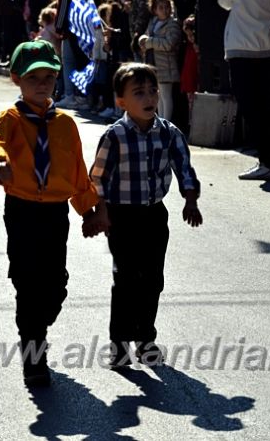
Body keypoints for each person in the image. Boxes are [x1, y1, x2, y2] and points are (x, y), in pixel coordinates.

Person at [0, 40, 101, 386]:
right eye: (34, 77)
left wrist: (89, 210)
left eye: (49, 76)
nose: (43, 83)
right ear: (16, 79)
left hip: (54, 213)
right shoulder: (11, 119)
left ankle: (38, 324)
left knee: (55, 284)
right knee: (26, 280)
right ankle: (34, 354)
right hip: (21, 210)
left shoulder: (65, 123)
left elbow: (76, 170)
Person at [88, 62, 202, 369]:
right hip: (121, 217)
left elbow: (184, 170)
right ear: (121, 101)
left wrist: (190, 200)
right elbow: (96, 178)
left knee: (152, 279)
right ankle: (120, 344)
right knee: (125, 277)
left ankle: (146, 340)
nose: (149, 97)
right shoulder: (115, 136)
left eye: (152, 90)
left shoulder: (169, 133)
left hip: (154, 216)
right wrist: (98, 212)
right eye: (139, 92)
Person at [218, 0, 270, 180]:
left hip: (241, 48)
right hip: (269, 46)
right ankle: (269, 158)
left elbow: (223, 1)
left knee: (250, 105)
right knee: (267, 103)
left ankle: (266, 160)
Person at [139, 0, 181, 121]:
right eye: (161, 7)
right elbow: (146, 35)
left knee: (166, 96)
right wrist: (142, 40)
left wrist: (150, 42)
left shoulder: (172, 24)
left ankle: (166, 122)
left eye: (167, 7)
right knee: (159, 96)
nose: (164, 10)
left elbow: (169, 44)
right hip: (154, 65)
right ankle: (161, 120)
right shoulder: (153, 22)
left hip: (166, 66)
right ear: (155, 9)